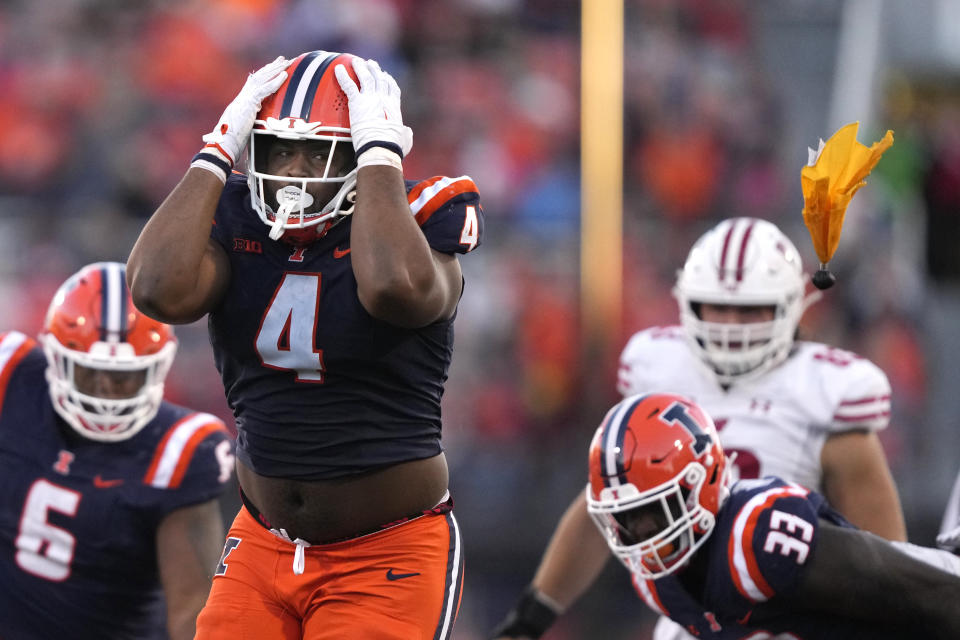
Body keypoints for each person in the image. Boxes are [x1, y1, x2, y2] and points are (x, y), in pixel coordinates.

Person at [126, 49, 482, 639]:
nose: (294, 171)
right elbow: (157, 290)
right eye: (280, 150)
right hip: (260, 543)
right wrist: (215, 153)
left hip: (384, 554)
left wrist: (379, 160)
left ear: (368, 149)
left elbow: (399, 289)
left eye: (319, 152)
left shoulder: (419, 217)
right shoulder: (237, 218)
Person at [492, 217, 905, 639]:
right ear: (688, 303)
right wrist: (532, 616)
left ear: (790, 305)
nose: (729, 325)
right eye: (716, 307)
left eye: (749, 310)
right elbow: (604, 509)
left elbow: (886, 559)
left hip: (790, 619)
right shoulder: (659, 367)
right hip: (687, 614)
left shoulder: (828, 391)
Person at [578, 392, 960, 639]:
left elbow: (915, 592)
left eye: (653, 511)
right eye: (627, 517)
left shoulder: (756, 538)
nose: (642, 532)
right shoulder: (655, 584)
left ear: (701, 484)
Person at [0, 261, 235, 640]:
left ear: (157, 368)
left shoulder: (180, 449)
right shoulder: (10, 374)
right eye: (89, 372)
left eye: (125, 376)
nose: (106, 391)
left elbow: (192, 609)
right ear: (56, 359)